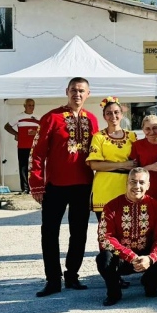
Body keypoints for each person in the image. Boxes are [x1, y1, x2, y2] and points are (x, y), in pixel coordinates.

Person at [29, 77, 100, 297]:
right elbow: (37, 153)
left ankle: (72, 276)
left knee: (78, 233)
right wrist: (36, 184)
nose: (77, 94)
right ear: (66, 92)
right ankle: (52, 280)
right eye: (73, 90)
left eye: (81, 91)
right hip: (55, 186)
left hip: (83, 184)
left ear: (88, 94)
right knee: (49, 233)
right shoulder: (51, 117)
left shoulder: (92, 120)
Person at [96, 168, 157, 306]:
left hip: (147, 257)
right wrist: (130, 256)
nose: (137, 186)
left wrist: (150, 259)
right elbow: (105, 238)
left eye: (141, 182)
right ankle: (114, 293)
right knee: (103, 258)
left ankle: (149, 284)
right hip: (122, 258)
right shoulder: (111, 206)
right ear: (127, 183)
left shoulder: (156, 207)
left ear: (148, 185)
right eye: (133, 182)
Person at [87, 97, 138, 218]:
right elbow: (94, 164)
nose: (113, 116)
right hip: (105, 187)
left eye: (116, 112)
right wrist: (122, 164)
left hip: (126, 186)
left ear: (121, 114)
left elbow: (136, 162)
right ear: (104, 116)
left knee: (127, 229)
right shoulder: (98, 137)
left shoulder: (131, 136)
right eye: (108, 113)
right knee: (106, 230)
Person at [4, 98, 37, 193]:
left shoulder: (38, 117)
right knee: (23, 167)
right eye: (29, 105)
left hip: (34, 146)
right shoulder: (19, 117)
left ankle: (34, 187)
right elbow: (7, 126)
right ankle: (25, 188)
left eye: (33, 105)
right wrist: (16, 134)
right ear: (25, 106)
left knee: (34, 167)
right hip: (23, 145)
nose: (31, 107)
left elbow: (43, 130)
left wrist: (36, 132)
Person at [130, 115, 157, 203]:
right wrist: (150, 167)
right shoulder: (137, 145)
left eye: (155, 128)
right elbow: (132, 170)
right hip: (145, 190)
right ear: (143, 129)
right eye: (148, 129)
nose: (152, 132)